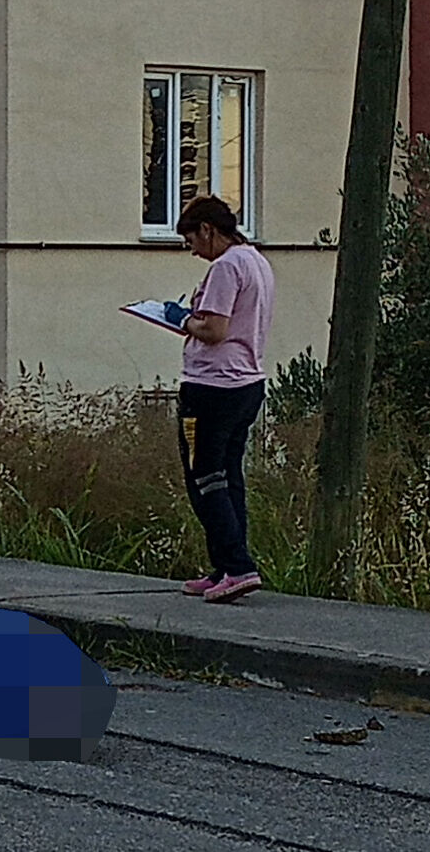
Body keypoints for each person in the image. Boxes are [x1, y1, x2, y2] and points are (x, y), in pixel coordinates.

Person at [173, 195, 272, 605]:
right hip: (246, 384)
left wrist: (181, 319)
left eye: (192, 238)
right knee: (229, 475)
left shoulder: (226, 267)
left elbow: (214, 329)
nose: (192, 249)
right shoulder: (256, 261)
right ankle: (225, 565)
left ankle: (237, 565)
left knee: (206, 477)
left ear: (209, 230)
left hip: (212, 387)